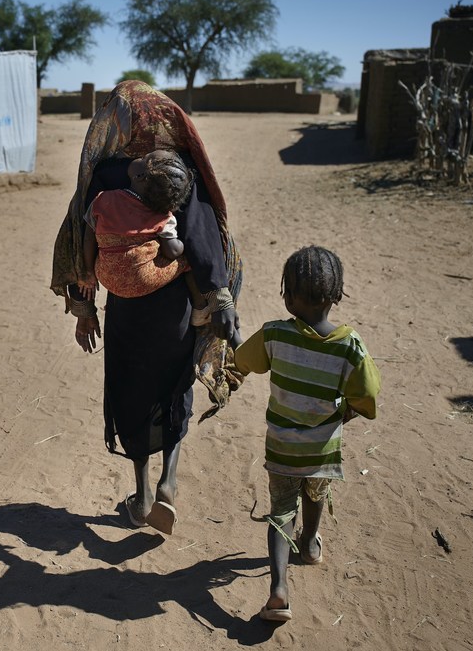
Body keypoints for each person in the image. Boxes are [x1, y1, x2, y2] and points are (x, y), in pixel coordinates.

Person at [51, 81, 243, 536]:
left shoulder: (110, 174)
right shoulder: (181, 171)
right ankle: (169, 483)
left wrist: (84, 308)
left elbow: (82, 241)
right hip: (175, 308)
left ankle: (140, 497)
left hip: (128, 312)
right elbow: (204, 235)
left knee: (131, 389)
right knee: (174, 388)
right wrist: (219, 296)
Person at [232, 245, 381, 623]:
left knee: (281, 511)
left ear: (289, 297)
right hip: (321, 449)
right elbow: (367, 396)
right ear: (336, 294)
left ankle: (279, 589)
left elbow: (243, 361)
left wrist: (232, 335)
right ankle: (311, 544)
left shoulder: (274, 336)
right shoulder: (351, 347)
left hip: (282, 447)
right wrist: (343, 413)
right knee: (316, 494)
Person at [78, 149, 194, 300]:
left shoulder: (103, 199)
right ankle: (200, 306)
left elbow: (88, 238)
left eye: (144, 158)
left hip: (104, 275)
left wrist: (89, 271)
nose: (139, 156)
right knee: (188, 263)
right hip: (141, 281)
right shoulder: (163, 217)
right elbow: (171, 252)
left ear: (139, 176)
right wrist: (181, 247)